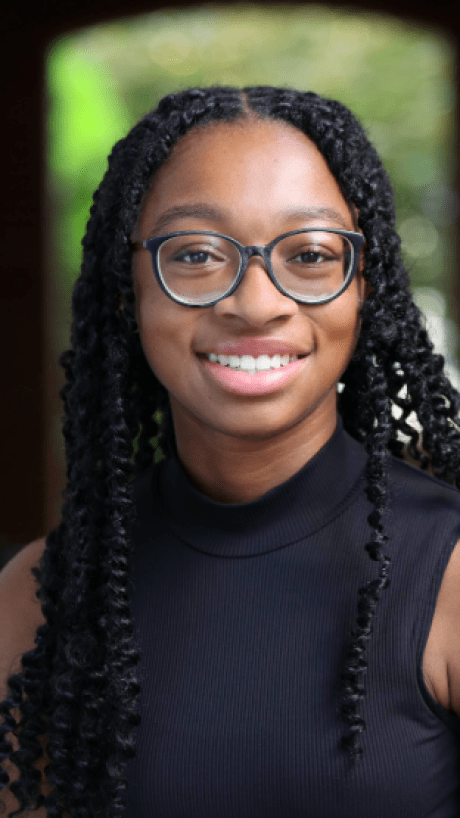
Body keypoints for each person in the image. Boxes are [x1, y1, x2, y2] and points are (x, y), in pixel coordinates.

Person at [1, 84, 460, 818]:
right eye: (196, 254)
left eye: (310, 254)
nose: (255, 303)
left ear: (363, 291)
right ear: (127, 290)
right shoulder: (42, 595)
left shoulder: (450, 574)